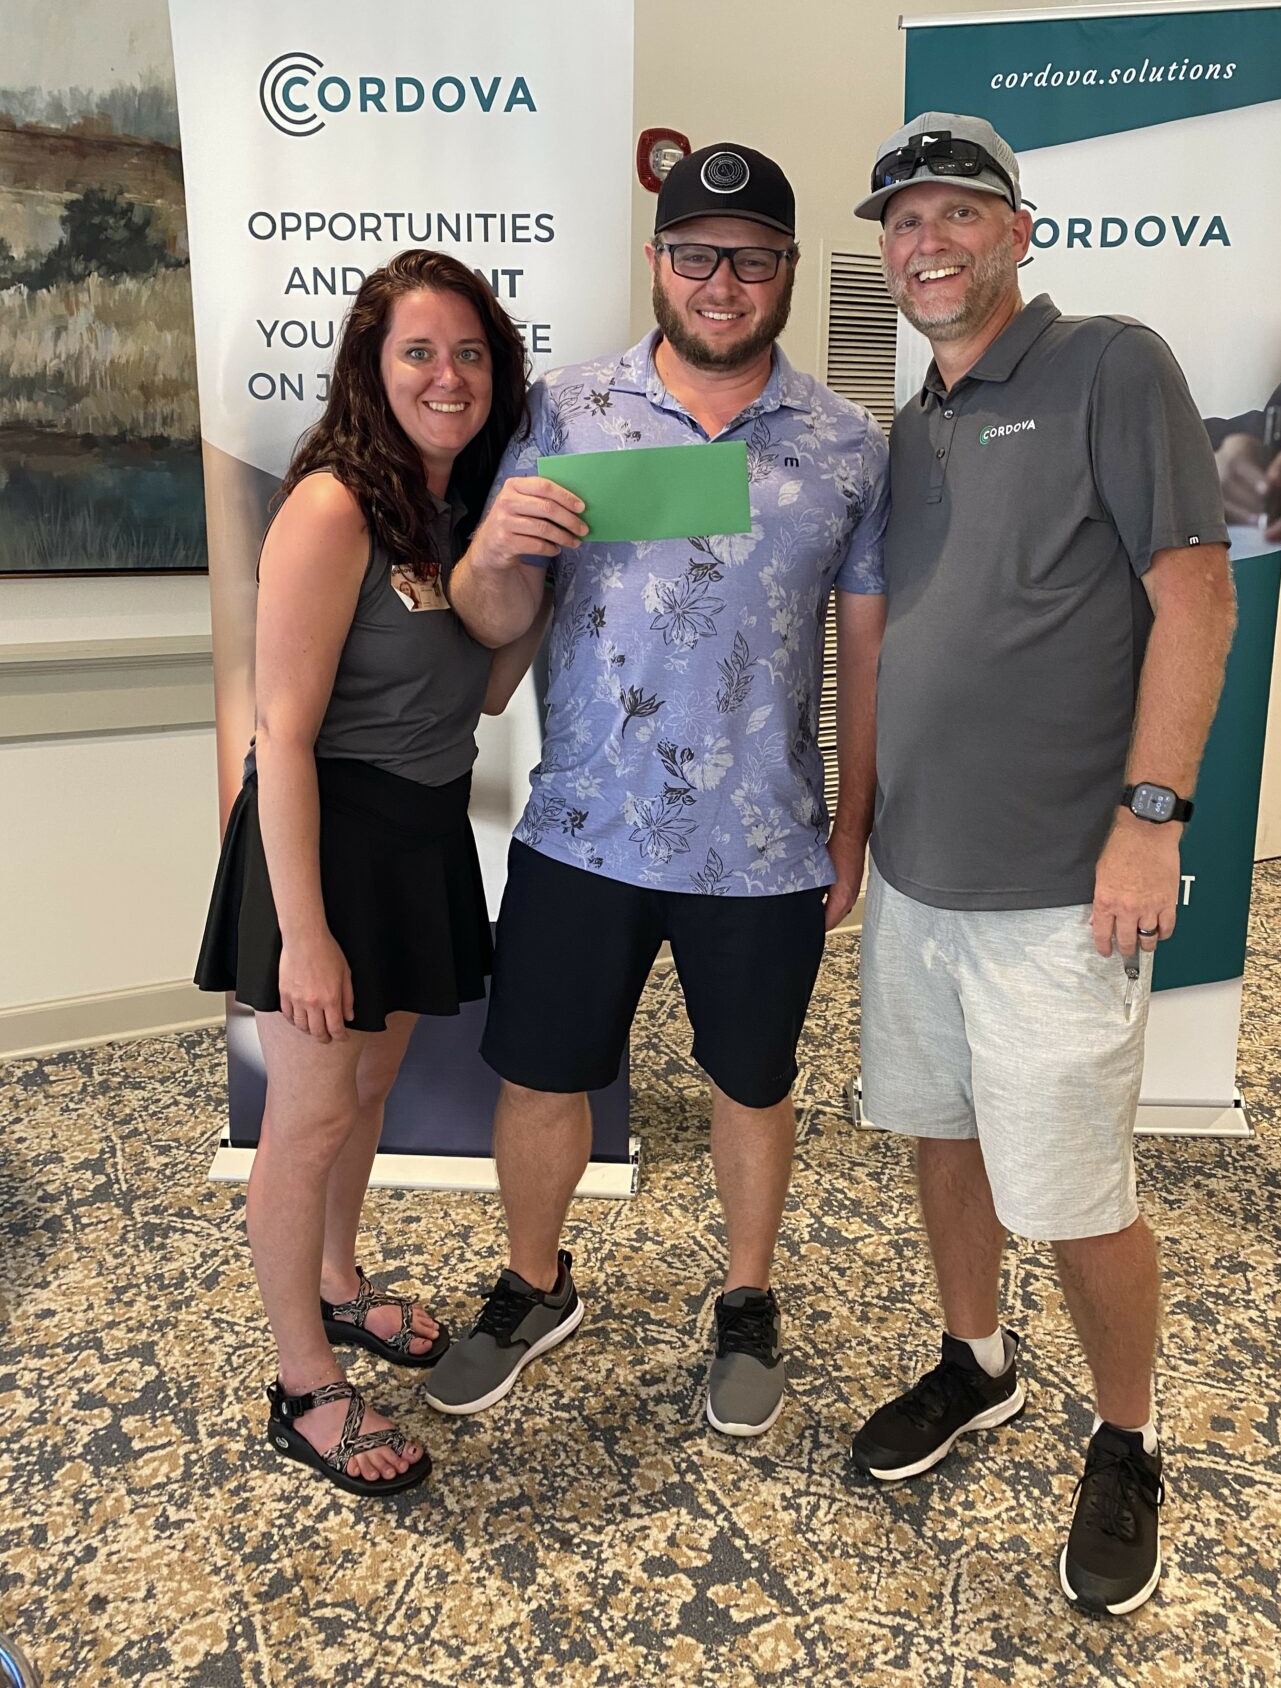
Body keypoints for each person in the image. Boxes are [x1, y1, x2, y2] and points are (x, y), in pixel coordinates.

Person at [427, 143, 889, 1437]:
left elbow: (868, 654)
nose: (721, 283)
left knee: (754, 1081)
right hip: (586, 825)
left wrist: (854, 824)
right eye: (695, 256)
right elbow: (494, 618)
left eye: (751, 260)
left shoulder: (849, 446)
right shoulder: (566, 413)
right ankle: (535, 1284)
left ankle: (746, 1299)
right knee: (542, 1073)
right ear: (657, 263)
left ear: (788, 270)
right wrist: (492, 553)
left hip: (764, 841)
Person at [849, 114, 1235, 1614]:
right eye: (904, 221)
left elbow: (1196, 597)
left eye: (959, 213)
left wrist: (1153, 815)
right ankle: (979, 1363)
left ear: (1019, 232)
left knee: (1074, 1193)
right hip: (917, 879)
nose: (928, 242)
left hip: (1061, 892)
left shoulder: (1110, 366)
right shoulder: (912, 425)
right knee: (943, 1138)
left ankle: (1128, 1441)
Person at [196, 249, 536, 1496]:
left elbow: (485, 693)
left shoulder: (458, 511)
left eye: (470, 354)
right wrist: (304, 933)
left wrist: (541, 580)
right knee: (307, 1118)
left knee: (370, 1086)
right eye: (419, 352)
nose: (449, 376)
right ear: (370, 368)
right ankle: (304, 1388)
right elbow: (279, 733)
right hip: (325, 839)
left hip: (421, 832)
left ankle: (339, 1284)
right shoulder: (334, 505)